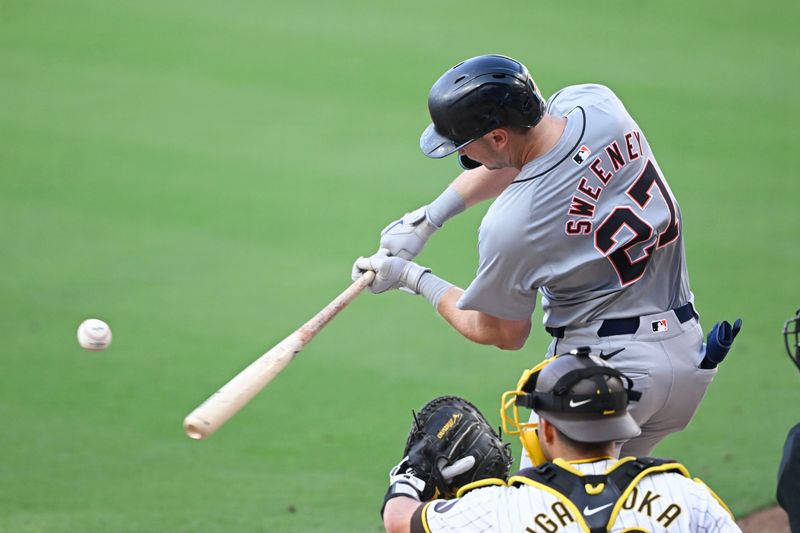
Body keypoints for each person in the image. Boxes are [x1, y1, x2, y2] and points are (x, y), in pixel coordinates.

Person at [353, 54, 720, 460]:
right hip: (687, 358)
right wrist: (427, 219)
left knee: (542, 514)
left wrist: (412, 277)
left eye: (465, 147)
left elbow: (502, 333)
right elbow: (534, 153)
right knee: (624, 508)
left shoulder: (513, 223)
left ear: (496, 137)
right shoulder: (598, 105)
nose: (466, 157)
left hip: (602, 384)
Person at [381, 349, 740, 532]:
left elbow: (400, 522)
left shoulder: (500, 509)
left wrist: (409, 477)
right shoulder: (685, 494)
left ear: (548, 430)